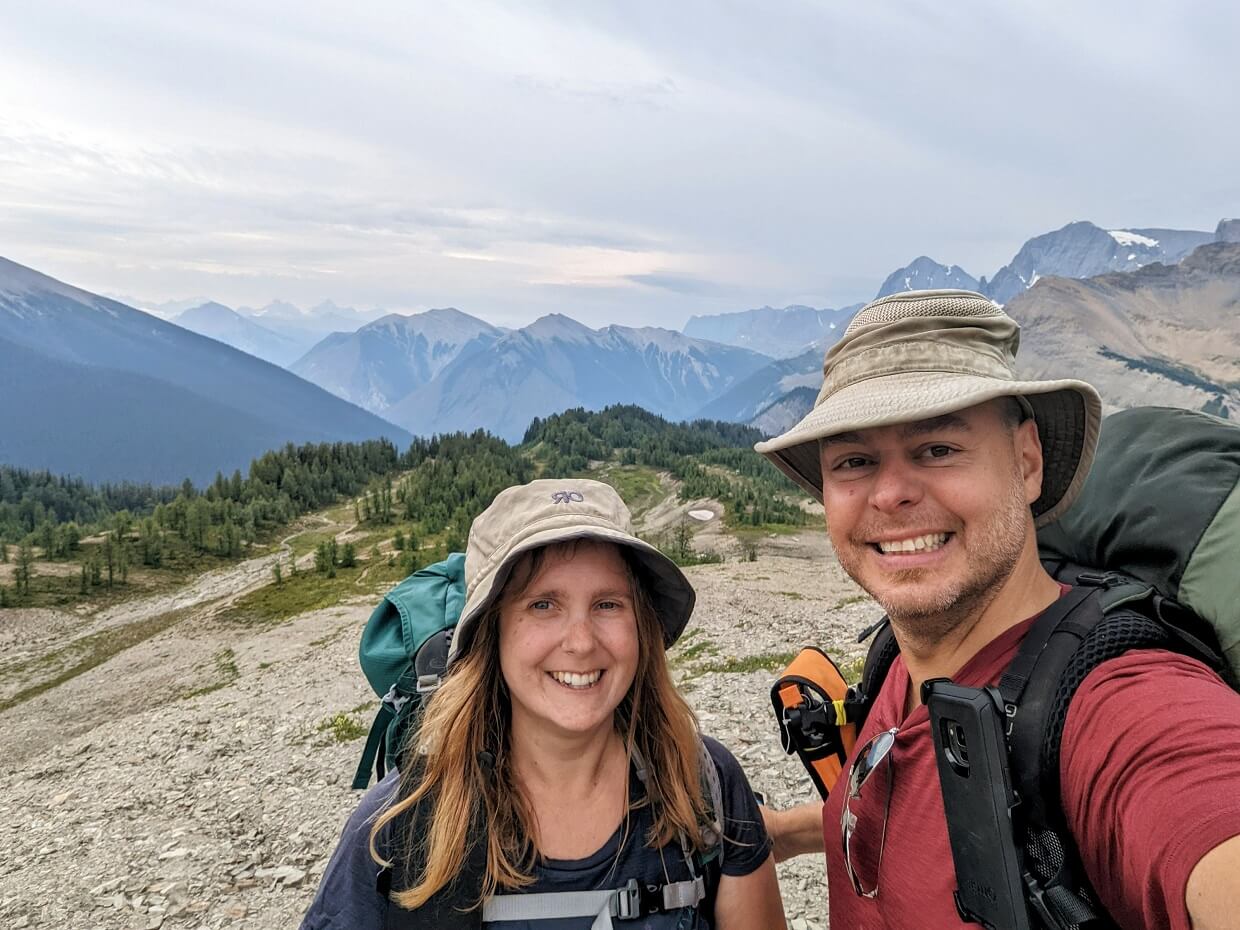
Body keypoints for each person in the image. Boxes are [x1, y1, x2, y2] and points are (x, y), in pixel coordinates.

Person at [753, 290, 1240, 929]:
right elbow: (921, 812)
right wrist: (783, 834)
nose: (891, 493)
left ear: (1027, 462)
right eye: (855, 461)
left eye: (938, 448)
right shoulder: (897, 661)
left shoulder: (1120, 706)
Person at [302, 477, 786, 929]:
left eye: (608, 604)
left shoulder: (703, 782)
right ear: (490, 632)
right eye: (542, 604)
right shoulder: (397, 825)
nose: (581, 642)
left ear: (641, 625)